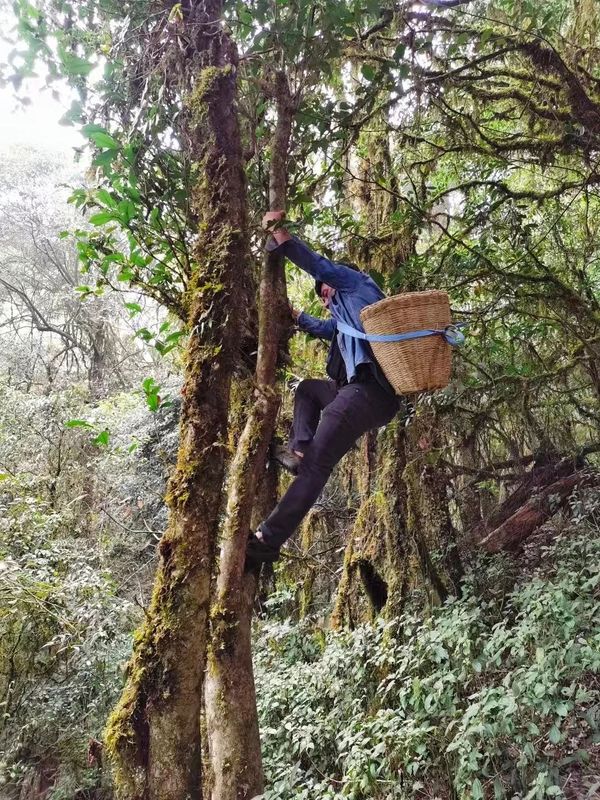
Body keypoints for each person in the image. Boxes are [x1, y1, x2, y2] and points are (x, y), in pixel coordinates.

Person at [245, 211, 401, 570]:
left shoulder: (357, 285)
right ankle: (297, 449)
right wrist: (296, 315)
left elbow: (319, 266)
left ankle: (267, 540)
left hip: (371, 391)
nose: (326, 299)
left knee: (319, 466)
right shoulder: (344, 321)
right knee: (310, 390)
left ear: (338, 281)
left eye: (327, 292)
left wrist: (281, 236)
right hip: (358, 392)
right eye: (323, 299)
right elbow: (323, 328)